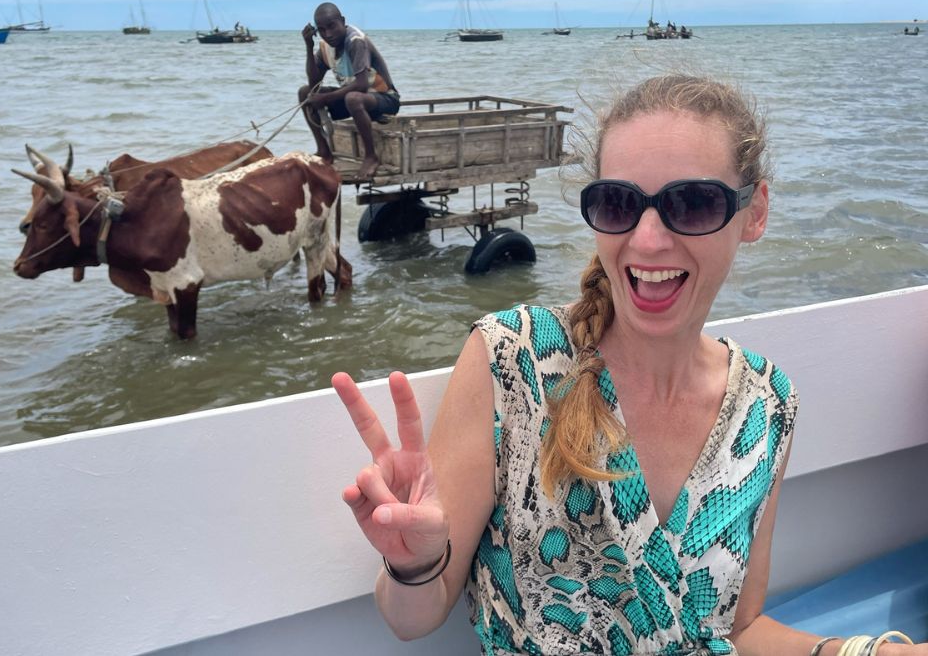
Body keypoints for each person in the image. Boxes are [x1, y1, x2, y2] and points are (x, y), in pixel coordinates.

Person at [332, 75, 926, 655]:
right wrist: (414, 565)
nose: (646, 241)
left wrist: (863, 651)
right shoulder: (514, 359)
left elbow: (738, 629)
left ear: (755, 213)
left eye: (691, 204)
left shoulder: (765, 404)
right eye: (618, 204)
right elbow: (413, 618)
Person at [299, 2, 400, 181]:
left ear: (343, 21)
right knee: (305, 92)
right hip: (355, 99)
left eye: (332, 26)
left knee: (353, 98)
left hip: (385, 99)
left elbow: (361, 85)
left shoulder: (355, 41)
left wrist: (326, 98)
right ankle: (324, 151)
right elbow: (314, 82)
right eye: (322, 29)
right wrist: (308, 46)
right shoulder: (325, 46)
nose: (328, 34)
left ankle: (371, 157)